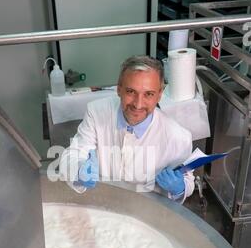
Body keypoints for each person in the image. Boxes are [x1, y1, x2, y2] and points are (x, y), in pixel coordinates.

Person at [60, 55, 194, 203]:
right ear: (119, 89)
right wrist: (79, 171)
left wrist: (180, 188)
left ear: (159, 95)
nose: (138, 104)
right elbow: (73, 154)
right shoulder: (97, 113)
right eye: (131, 92)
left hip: (147, 214)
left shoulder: (178, 137)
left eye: (148, 94)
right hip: (100, 204)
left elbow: (187, 181)